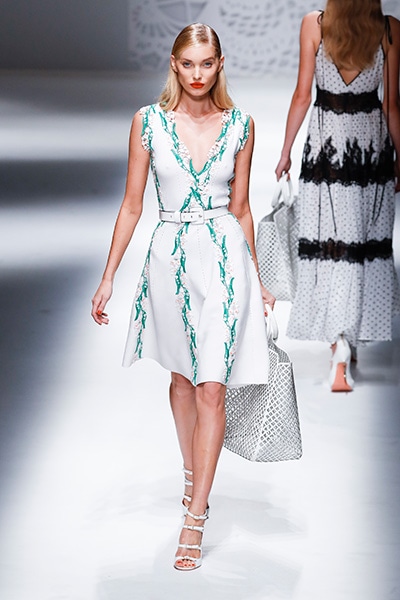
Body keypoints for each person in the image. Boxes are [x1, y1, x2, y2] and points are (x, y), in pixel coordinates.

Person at [91, 23, 275, 570]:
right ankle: (194, 473)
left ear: (220, 64)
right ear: (174, 65)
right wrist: (108, 276)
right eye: (188, 64)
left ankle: (195, 517)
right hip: (170, 261)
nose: (198, 74)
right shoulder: (147, 123)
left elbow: (242, 208)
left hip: (224, 261)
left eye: (207, 63)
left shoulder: (241, 125)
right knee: (181, 381)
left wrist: (258, 277)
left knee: (213, 388)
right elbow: (132, 204)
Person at [275, 0, 400, 392]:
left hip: (327, 143)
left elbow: (302, 95)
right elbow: (391, 105)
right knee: (363, 242)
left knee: (332, 243)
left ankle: (340, 346)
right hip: (370, 145)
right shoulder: (389, 29)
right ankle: (349, 338)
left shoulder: (315, 24)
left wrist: (285, 152)